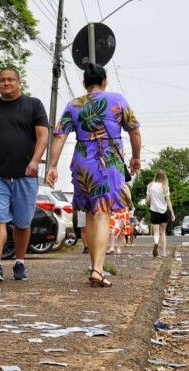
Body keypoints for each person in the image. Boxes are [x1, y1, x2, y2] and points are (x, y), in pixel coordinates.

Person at [46, 63, 142, 288]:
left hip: (82, 162)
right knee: (103, 213)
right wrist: (136, 157)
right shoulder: (117, 100)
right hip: (107, 160)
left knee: (89, 213)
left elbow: (59, 136)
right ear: (105, 82)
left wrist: (52, 166)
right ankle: (98, 269)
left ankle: (95, 268)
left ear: (84, 84)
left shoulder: (74, 104)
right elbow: (134, 130)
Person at [0, 67, 49, 282]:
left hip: (25, 174)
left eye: (10, 80)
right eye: (2, 80)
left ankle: (19, 262)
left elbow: (43, 136)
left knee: (23, 223)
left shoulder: (33, 105)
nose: (6, 83)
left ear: (19, 82)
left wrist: (35, 161)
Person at [146, 169, 175, 258]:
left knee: (156, 233)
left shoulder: (150, 185)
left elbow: (147, 200)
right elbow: (168, 201)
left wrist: (151, 201)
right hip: (164, 211)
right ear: (164, 177)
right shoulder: (165, 187)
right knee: (163, 232)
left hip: (154, 211)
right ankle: (164, 252)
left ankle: (155, 243)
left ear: (156, 175)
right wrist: (172, 213)